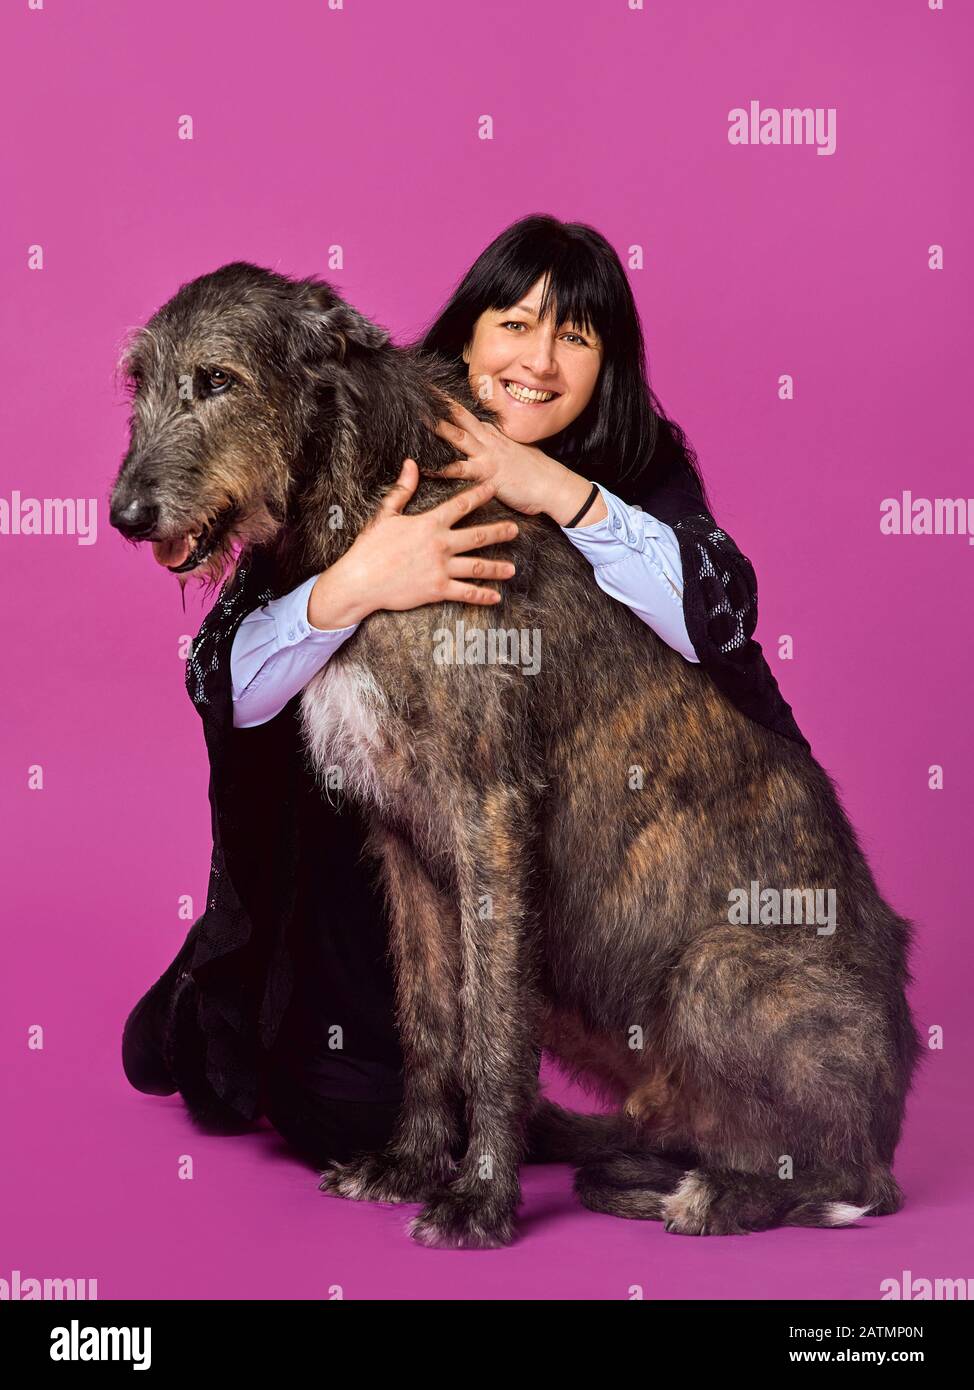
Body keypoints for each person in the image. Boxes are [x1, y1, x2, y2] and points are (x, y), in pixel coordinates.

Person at [121, 215, 809, 1170]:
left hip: (570, 846)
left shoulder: (633, 463)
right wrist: (358, 583)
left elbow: (722, 613)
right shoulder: (379, 425)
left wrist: (552, 489)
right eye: (515, 324)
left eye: (576, 335)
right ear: (469, 334)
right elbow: (224, 681)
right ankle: (224, 987)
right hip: (365, 850)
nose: (540, 360)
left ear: (607, 365)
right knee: (309, 1089)